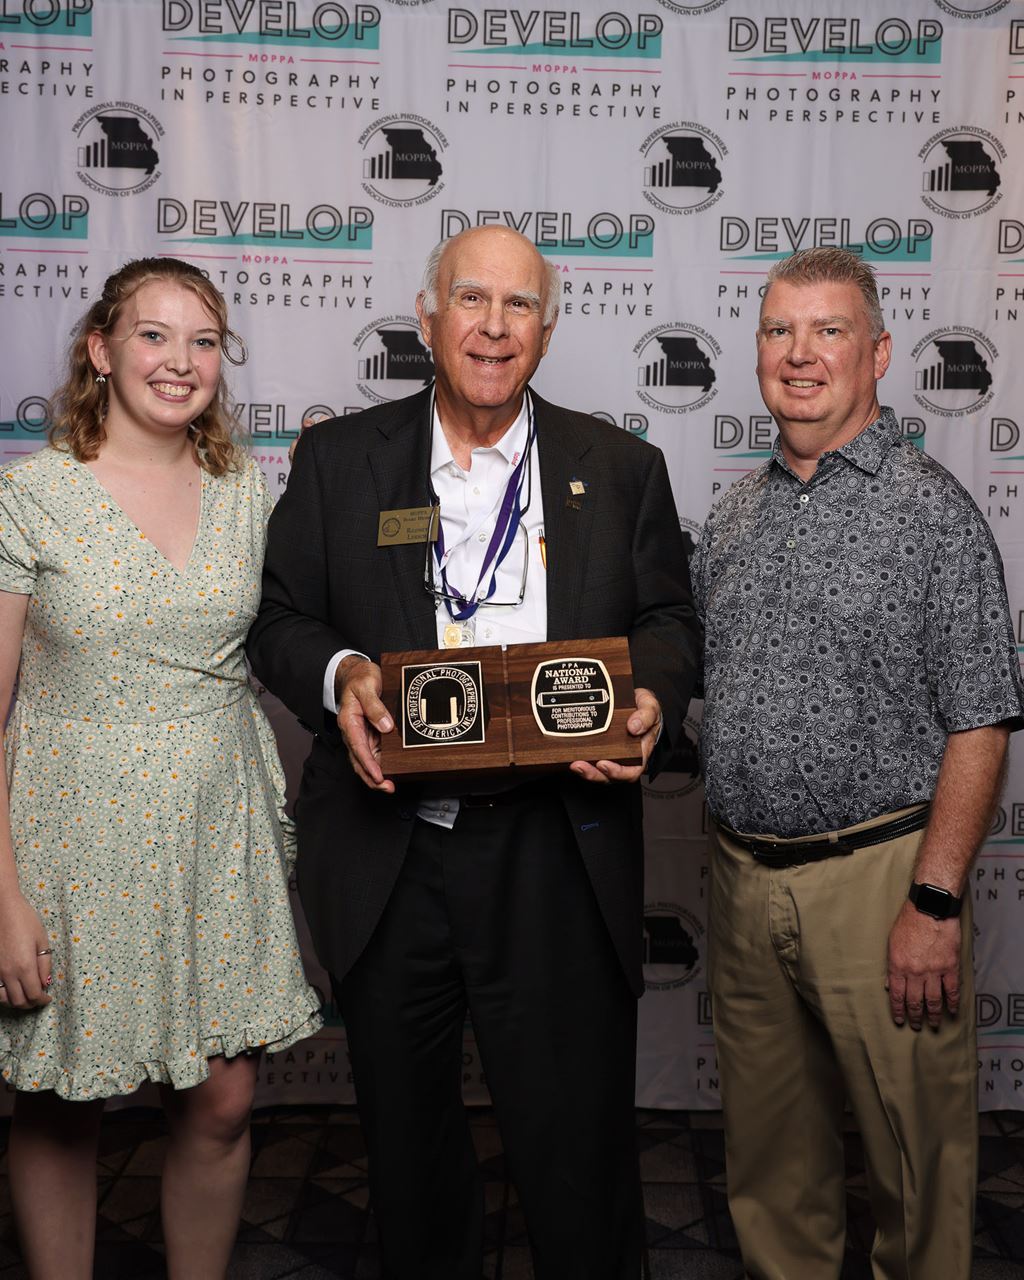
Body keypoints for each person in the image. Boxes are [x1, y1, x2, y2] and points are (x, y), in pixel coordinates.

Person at [247, 225, 699, 1279]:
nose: (493, 327)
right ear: (427, 314)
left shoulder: (620, 467)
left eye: (518, 305)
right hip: (391, 853)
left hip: (553, 848)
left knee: (573, 1154)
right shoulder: (338, 461)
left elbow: (672, 622)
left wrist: (648, 698)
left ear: (547, 325)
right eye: (471, 299)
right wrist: (344, 672)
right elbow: (278, 619)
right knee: (406, 1153)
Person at [690, 246, 1024, 1280]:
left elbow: (980, 720)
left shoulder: (933, 512)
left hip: (881, 882)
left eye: (826, 331)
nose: (799, 355)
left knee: (916, 1176)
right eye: (779, 331)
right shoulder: (733, 520)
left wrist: (931, 900)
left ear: (876, 352)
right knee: (771, 1173)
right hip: (743, 884)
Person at [0, 257, 322, 1280]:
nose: (178, 362)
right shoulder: (30, 496)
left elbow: (301, 627)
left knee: (224, 1095)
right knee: (63, 1101)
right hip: (69, 826)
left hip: (214, 823)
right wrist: (2, 895)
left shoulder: (244, 492)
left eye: (201, 341)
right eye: (152, 334)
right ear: (99, 348)